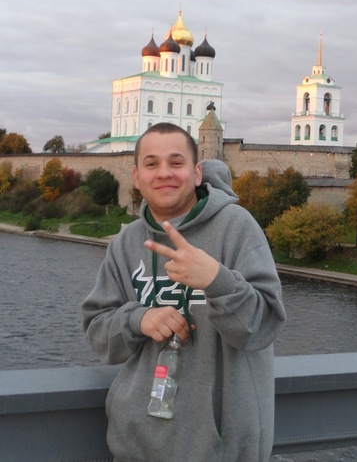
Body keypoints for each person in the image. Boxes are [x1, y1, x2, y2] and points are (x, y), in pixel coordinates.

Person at [81, 122, 286, 462]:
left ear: (196, 173)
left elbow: (264, 326)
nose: (164, 173)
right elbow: (99, 334)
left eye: (176, 162)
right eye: (152, 164)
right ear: (136, 177)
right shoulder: (125, 243)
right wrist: (138, 319)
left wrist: (217, 280)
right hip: (135, 447)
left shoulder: (237, 227)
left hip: (220, 452)